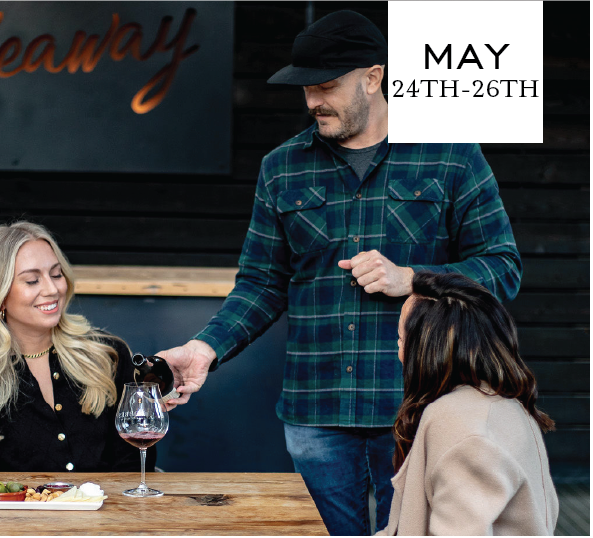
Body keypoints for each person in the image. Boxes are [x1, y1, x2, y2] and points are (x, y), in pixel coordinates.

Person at [159, 10, 522, 536]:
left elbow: (503, 268)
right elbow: (262, 283)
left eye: (326, 86)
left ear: (373, 78)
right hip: (316, 411)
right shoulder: (282, 167)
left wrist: (412, 279)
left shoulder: (451, 156)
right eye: (305, 88)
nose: (311, 101)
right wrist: (205, 348)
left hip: (420, 405)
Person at [0, 221, 154, 473]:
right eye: (32, 280)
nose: (53, 289)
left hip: (111, 511)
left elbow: (136, 467)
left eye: (56, 274)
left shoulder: (108, 356)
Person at [377, 271, 558, 535]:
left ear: (428, 349)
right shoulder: (507, 404)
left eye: (402, 339)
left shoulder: (457, 423)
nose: (399, 351)